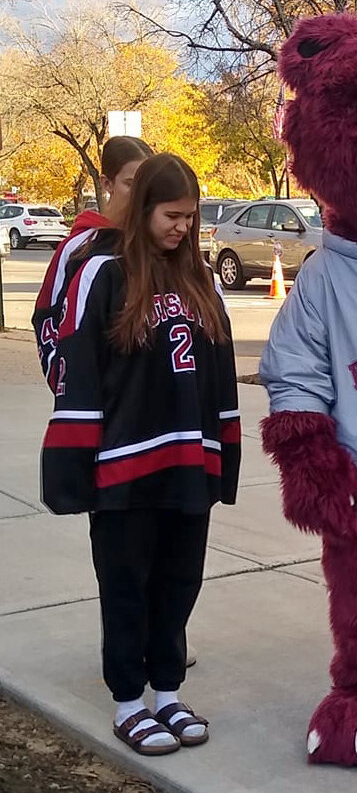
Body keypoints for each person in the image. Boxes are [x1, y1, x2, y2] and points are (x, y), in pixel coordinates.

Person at [39, 153, 241, 756]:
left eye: (190, 217)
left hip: (188, 464)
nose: (181, 227)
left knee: (180, 581)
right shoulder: (101, 270)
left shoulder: (200, 277)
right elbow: (78, 373)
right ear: (144, 207)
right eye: (171, 215)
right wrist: (75, 466)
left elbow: (220, 373)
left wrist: (223, 452)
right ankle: (129, 701)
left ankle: (167, 692)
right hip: (123, 466)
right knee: (126, 583)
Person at [33, 135, 154, 380]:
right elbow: (47, 317)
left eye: (147, 186)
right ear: (107, 183)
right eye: (131, 184)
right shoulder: (78, 246)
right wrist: (66, 382)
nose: (141, 195)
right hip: (95, 399)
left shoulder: (160, 243)